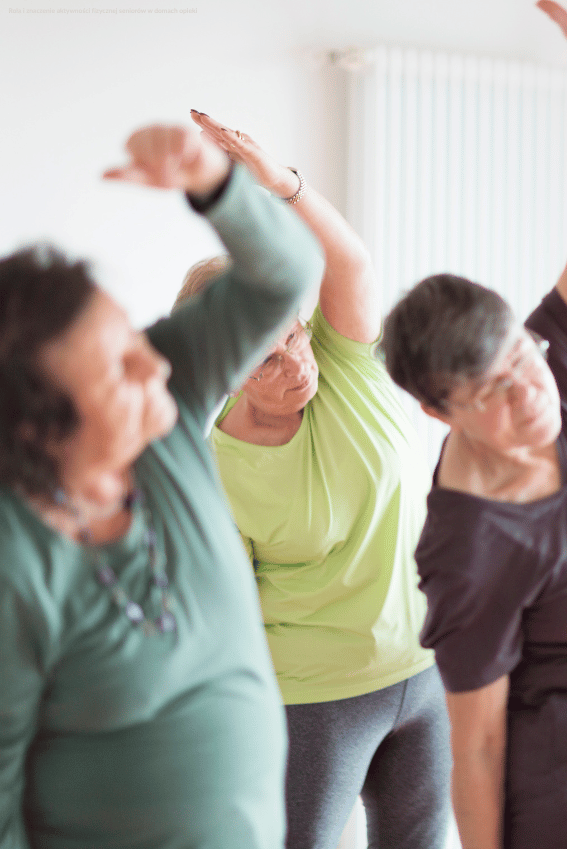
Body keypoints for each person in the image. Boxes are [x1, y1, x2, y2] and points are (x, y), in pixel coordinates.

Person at [0, 122, 323, 849]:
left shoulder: (166, 418)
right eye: (117, 367)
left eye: (134, 338)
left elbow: (285, 273)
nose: (153, 366)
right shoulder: (15, 564)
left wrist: (216, 185)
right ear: (40, 429)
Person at [185, 110, 451, 849]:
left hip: (425, 668)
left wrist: (281, 185)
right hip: (315, 699)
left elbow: (351, 264)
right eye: (268, 357)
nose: (298, 361)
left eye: (294, 333)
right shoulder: (215, 474)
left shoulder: (345, 367)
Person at [380, 10, 567, 849]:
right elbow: (478, 744)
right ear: (439, 413)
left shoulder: (539, 352)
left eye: (523, 364)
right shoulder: (467, 547)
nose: (529, 398)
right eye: (492, 393)